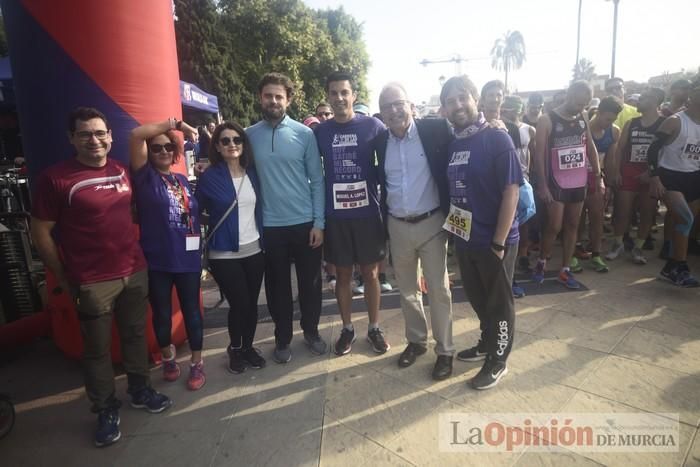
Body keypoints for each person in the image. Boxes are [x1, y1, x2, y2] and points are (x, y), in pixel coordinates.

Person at [31, 107, 171, 448]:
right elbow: (40, 232)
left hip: (134, 271)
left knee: (136, 336)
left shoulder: (122, 171)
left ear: (110, 136)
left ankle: (139, 389)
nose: (93, 140)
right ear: (72, 139)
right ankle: (106, 408)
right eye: (85, 134)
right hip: (91, 280)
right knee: (96, 350)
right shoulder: (56, 179)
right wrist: (63, 275)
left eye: (99, 133)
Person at [441, 75, 522, 390]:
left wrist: (499, 243)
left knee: (500, 303)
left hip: (494, 240)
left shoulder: (496, 138)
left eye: (463, 97)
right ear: (445, 108)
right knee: (477, 297)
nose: (458, 105)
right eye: (451, 101)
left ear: (475, 99)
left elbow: (511, 191)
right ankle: (487, 342)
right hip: (465, 238)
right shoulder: (454, 143)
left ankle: (498, 360)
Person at [374, 82, 455, 380]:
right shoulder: (379, 142)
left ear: (411, 105)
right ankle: (416, 342)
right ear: (381, 113)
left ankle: (445, 350)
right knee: (407, 291)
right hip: (397, 226)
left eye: (398, 103)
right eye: (387, 106)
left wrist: (496, 122)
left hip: (432, 223)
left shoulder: (435, 130)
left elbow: (466, 131)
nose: (394, 110)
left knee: (439, 290)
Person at [247, 72, 326, 363]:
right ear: (260, 98)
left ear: (288, 100)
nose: (273, 101)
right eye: (268, 95)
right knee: (277, 287)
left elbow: (317, 181)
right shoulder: (249, 135)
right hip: (270, 226)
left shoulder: (304, 134)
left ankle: (312, 332)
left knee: (311, 284)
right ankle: (282, 338)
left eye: (279, 96)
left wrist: (319, 223)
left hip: (304, 223)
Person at [314, 71, 389, 355]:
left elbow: (388, 167)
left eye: (344, 92)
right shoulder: (320, 132)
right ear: (328, 97)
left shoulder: (373, 126)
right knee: (343, 276)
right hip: (337, 217)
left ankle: (374, 327)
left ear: (354, 95)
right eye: (334, 93)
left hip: (368, 214)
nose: (339, 98)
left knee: (370, 274)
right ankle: (347, 329)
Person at [129, 118, 205, 391]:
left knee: (192, 314)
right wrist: (176, 125)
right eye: (157, 147)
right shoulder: (144, 177)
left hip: (188, 259)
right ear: (149, 153)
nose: (162, 151)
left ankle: (196, 363)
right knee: (161, 314)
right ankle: (169, 359)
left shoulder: (181, 179)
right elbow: (137, 134)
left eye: (167, 148)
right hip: (158, 260)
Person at [196, 121, 268, 371]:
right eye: (225, 140)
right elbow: (195, 210)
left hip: (254, 249)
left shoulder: (253, 173)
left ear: (243, 144)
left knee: (251, 305)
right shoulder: (209, 176)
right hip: (224, 252)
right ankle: (235, 349)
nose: (232, 144)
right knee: (240, 303)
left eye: (237, 140)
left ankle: (248, 347)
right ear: (217, 145)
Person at [532, 81, 601, 289]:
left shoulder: (583, 116)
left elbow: (590, 145)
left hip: (578, 180)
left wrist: (598, 174)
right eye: (577, 103)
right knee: (554, 225)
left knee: (573, 224)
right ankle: (542, 262)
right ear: (568, 96)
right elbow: (539, 155)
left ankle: (565, 269)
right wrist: (542, 185)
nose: (579, 108)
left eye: (584, 104)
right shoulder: (547, 119)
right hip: (555, 181)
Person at [647, 85, 700, 287]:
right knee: (685, 219)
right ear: (694, 94)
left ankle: (671, 266)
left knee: (687, 223)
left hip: (694, 177)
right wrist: (654, 177)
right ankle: (681, 266)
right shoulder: (675, 121)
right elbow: (652, 150)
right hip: (671, 177)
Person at [606, 88, 666, 265]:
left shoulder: (665, 123)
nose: (638, 102)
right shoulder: (631, 123)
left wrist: (652, 173)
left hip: (652, 174)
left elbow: (667, 152)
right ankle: (618, 244)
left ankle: (638, 247)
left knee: (647, 212)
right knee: (622, 211)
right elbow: (620, 149)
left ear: (655, 100)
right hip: (629, 171)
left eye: (644, 98)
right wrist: (616, 171)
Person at [571, 96, 622, 273]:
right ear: (598, 113)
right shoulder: (580, 127)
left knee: (597, 216)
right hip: (576, 177)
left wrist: (607, 184)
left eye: (613, 120)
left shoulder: (614, 132)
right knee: (576, 217)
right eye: (607, 119)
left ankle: (596, 254)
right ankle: (572, 253)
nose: (609, 123)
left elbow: (611, 160)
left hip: (596, 177)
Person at [501, 96, 536, 288]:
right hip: (504, 183)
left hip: (522, 181)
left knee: (521, 224)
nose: (513, 112)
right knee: (506, 229)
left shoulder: (527, 129)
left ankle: (521, 257)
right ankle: (506, 277)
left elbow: (531, 152)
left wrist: (530, 177)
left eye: (516, 109)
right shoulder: (500, 128)